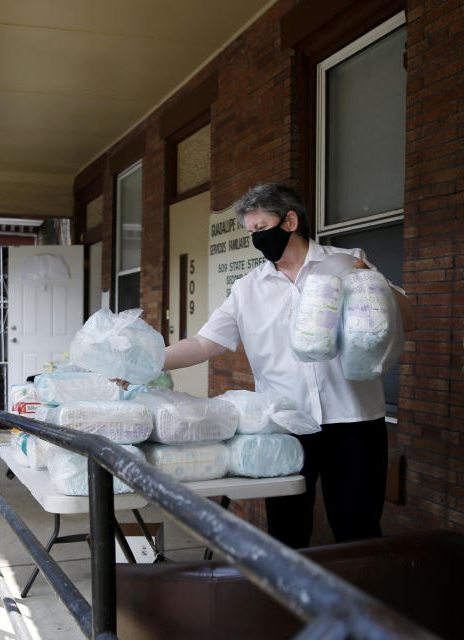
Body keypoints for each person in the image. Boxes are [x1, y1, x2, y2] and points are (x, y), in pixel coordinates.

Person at [142, 183, 416, 549]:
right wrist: (146, 362)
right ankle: (291, 606)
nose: (256, 238)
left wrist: (374, 282)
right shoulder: (247, 290)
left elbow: (409, 319)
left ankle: (354, 605)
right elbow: (203, 343)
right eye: (250, 232)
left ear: (289, 221)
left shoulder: (347, 261)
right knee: (287, 533)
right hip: (285, 426)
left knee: (358, 531)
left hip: (354, 423)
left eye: (261, 227)